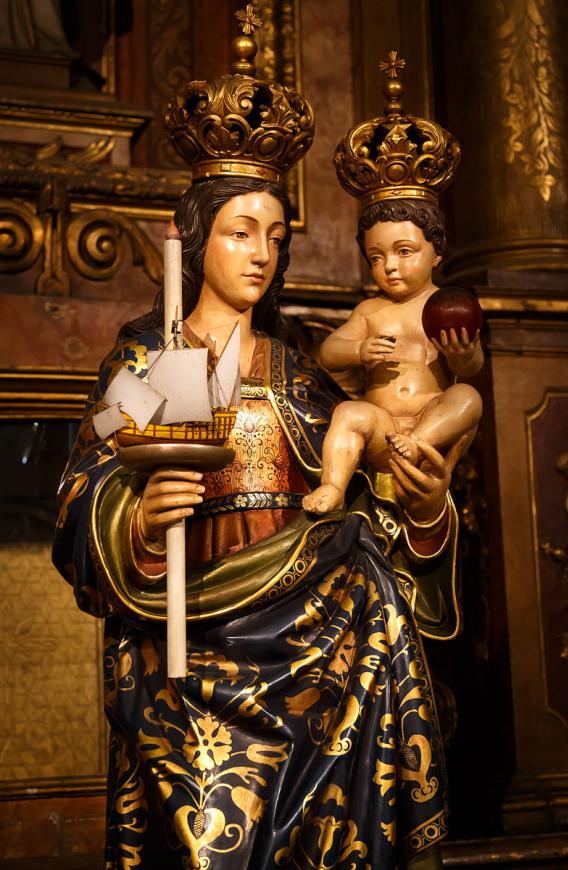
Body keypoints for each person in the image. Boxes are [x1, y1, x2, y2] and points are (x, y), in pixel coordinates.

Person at [52, 20, 462, 869]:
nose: (263, 255)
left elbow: (372, 495)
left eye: (277, 237)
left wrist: (426, 513)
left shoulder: (302, 366)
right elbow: (83, 485)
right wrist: (137, 522)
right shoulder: (149, 359)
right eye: (242, 232)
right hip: (186, 637)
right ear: (197, 236)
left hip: (316, 640)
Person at [302, 198, 483, 515]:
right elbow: (329, 352)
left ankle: (416, 439)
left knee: (468, 397)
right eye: (376, 257)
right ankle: (333, 485)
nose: (389, 266)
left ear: (436, 253)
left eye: (404, 251)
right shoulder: (370, 311)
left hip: (431, 426)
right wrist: (358, 350)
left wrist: (462, 356)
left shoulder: (449, 306)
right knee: (348, 413)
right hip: (382, 429)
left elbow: (472, 366)